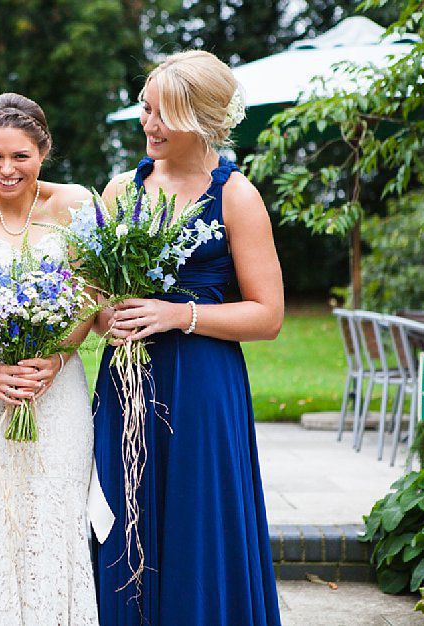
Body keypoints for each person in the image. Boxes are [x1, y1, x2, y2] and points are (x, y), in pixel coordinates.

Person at [92, 50, 284, 625]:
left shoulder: (237, 196)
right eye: (145, 109)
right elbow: (98, 296)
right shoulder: (121, 189)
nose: (147, 124)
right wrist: (110, 315)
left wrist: (180, 316)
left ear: (200, 118)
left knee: (198, 517)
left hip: (202, 385)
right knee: (121, 511)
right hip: (127, 380)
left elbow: (268, 315)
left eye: (161, 114)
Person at [0, 93, 99, 624]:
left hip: (58, 392)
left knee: (55, 513)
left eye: (20, 156)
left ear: (43, 153)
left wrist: (54, 356)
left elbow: (89, 296)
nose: (6, 170)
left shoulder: (73, 205)